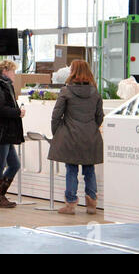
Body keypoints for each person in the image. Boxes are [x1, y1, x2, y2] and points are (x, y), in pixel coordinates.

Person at [47, 60, 104, 215]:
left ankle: (70, 204)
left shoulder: (66, 91)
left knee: (71, 170)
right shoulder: (95, 92)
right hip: (91, 136)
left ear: (72, 71)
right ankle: (91, 204)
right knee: (89, 169)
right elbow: (100, 117)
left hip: (70, 136)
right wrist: (92, 128)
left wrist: (57, 133)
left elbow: (56, 115)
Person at [0, 60, 25, 208]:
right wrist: (17, 112)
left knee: (14, 164)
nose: (15, 75)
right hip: (0, 131)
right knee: (0, 164)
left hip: (6, 131)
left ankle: (0, 194)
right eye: (13, 72)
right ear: (5, 71)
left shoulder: (4, 85)